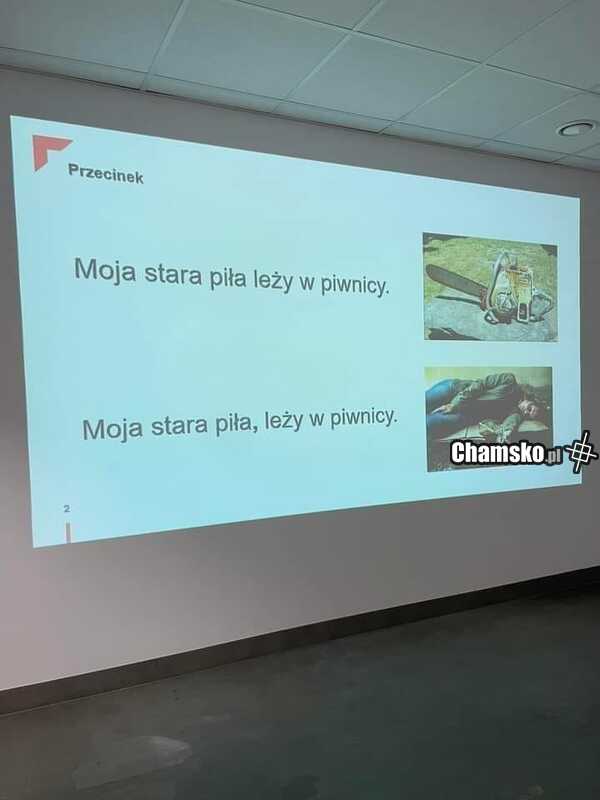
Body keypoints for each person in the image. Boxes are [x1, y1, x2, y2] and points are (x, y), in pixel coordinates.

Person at [426, 372, 546, 442]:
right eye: (530, 408)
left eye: (527, 415)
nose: (525, 411)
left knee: (428, 424)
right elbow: (480, 385)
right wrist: (454, 404)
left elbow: (510, 423)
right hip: (457, 390)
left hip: (466, 414)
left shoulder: (516, 414)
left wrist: (505, 433)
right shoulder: (509, 380)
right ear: (531, 398)